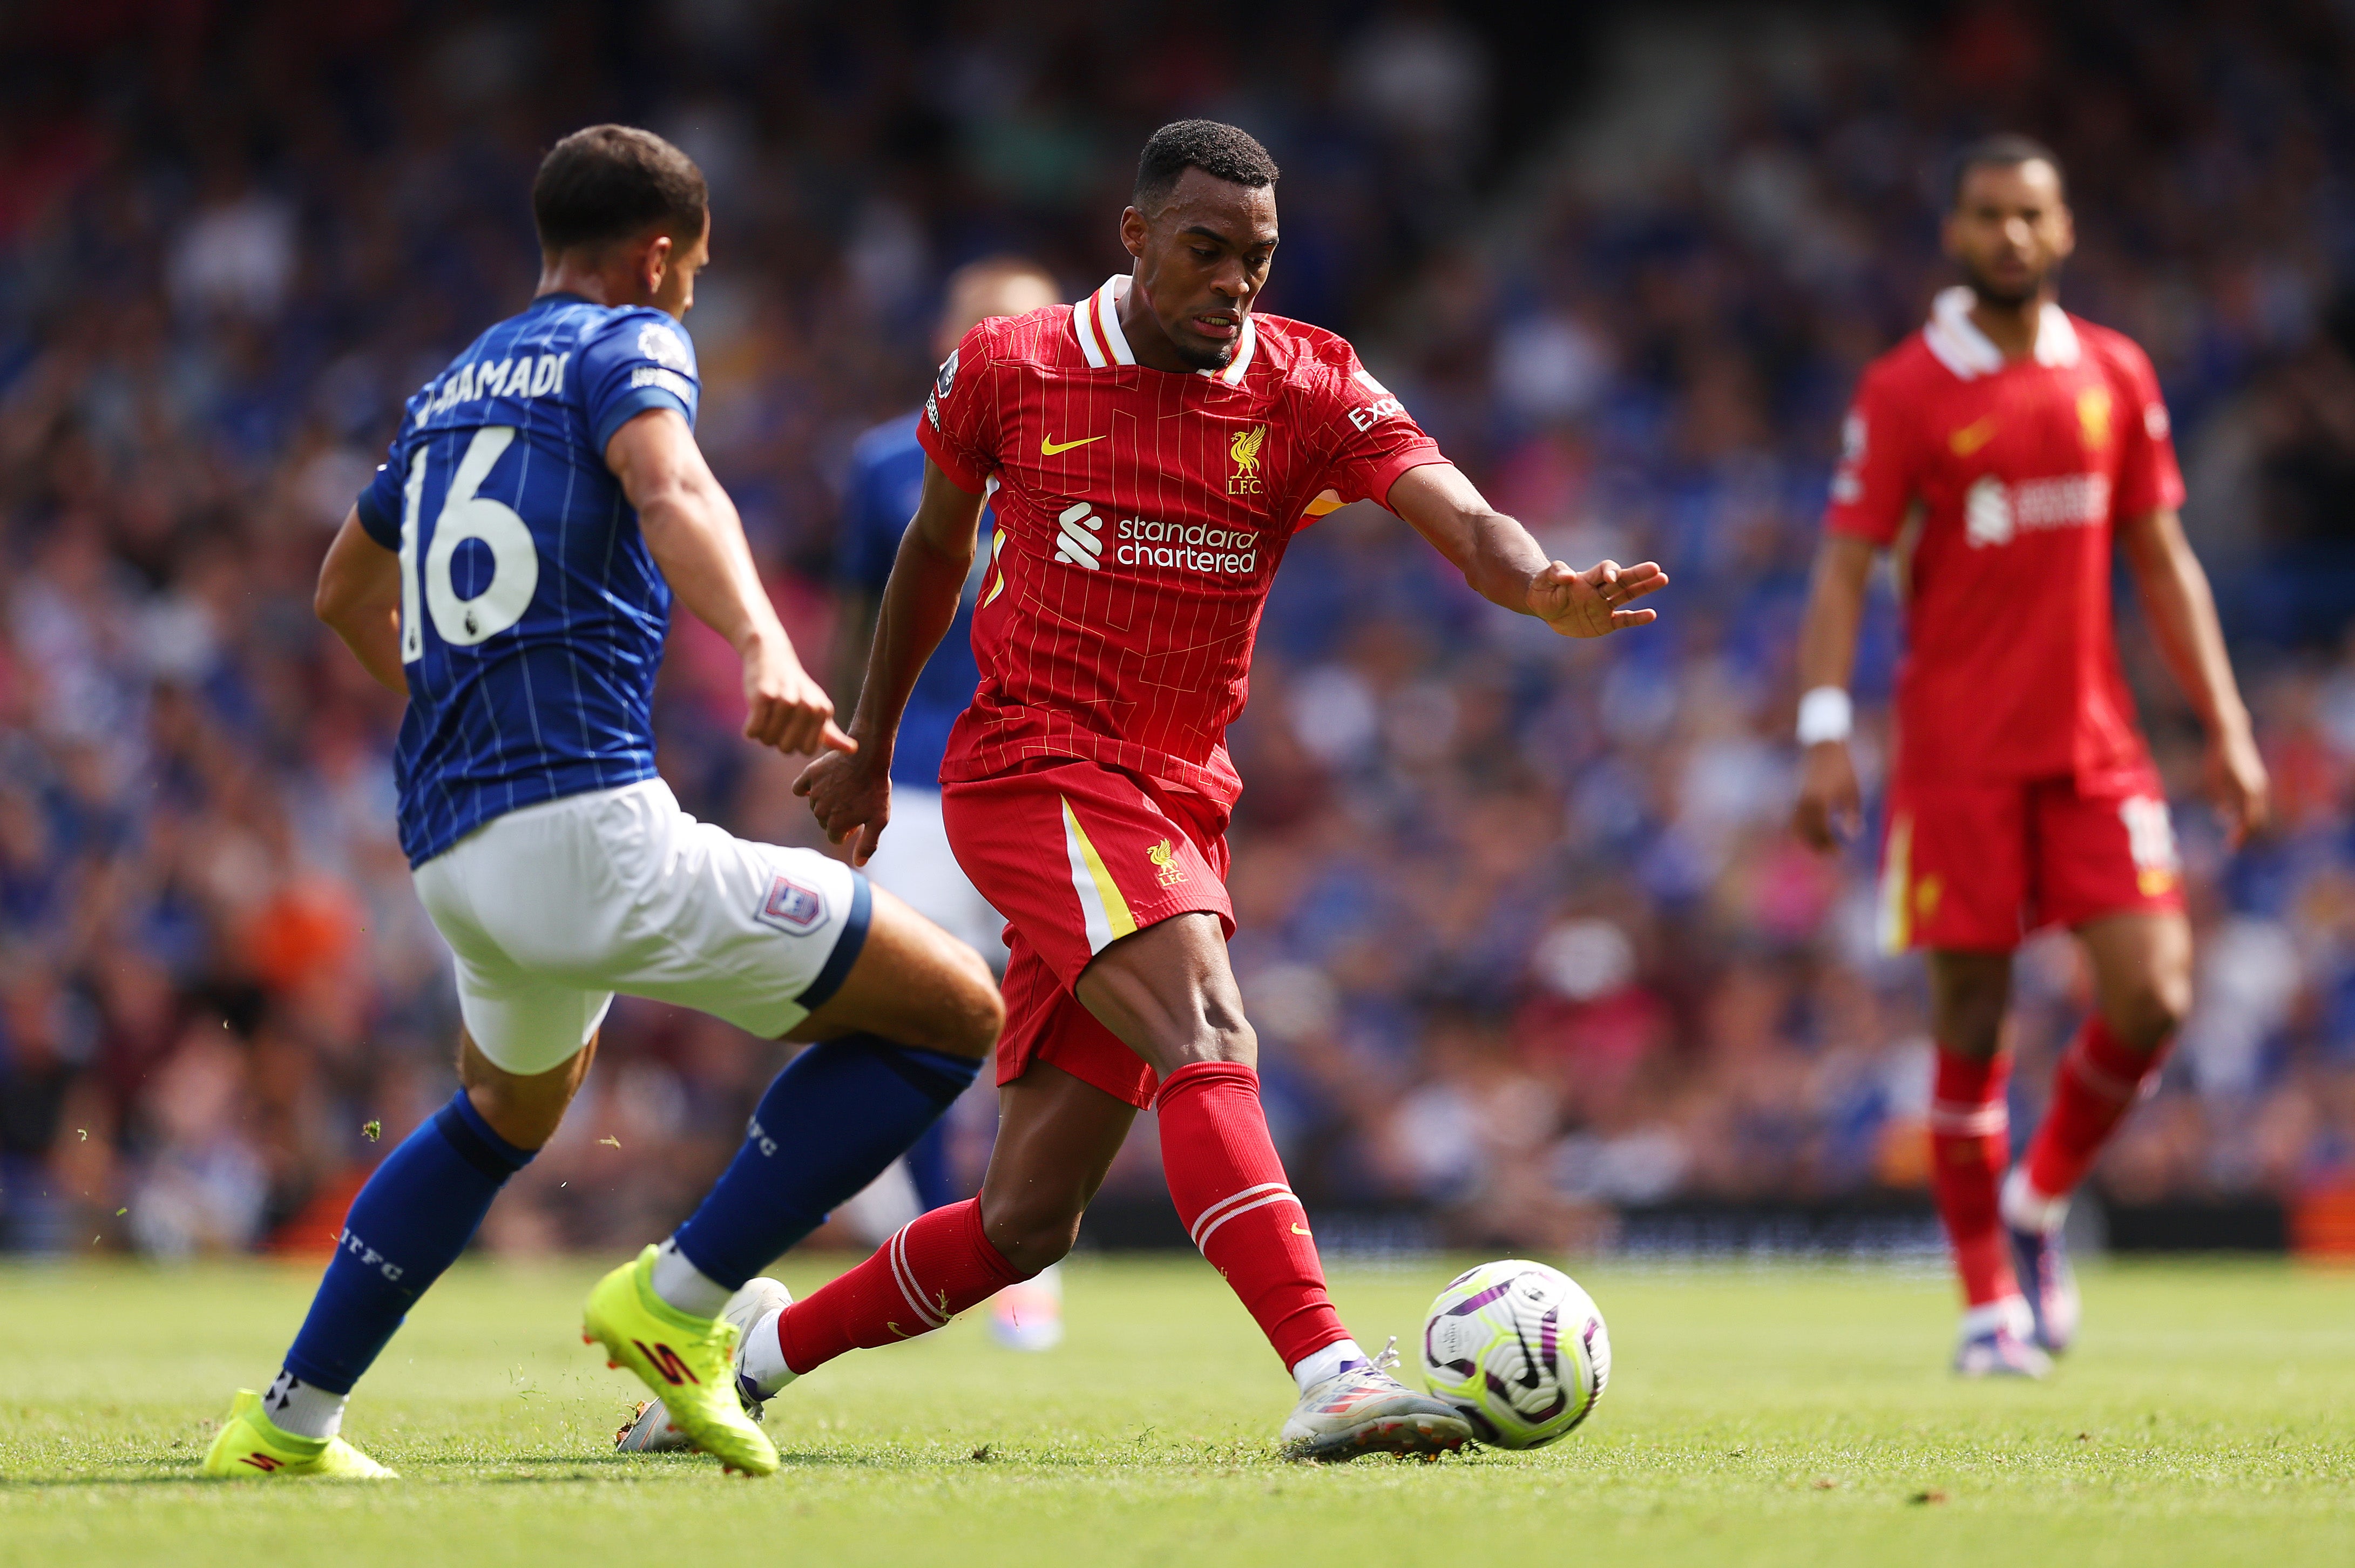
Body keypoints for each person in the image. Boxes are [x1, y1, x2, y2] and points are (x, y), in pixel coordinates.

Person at [782, 119, 1667, 1461]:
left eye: (1255, 258)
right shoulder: (1014, 367)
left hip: (1177, 799)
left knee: (1026, 1223)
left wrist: (1539, 583)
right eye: (1205, 251)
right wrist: (866, 745)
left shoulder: (1306, 383)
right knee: (1211, 1031)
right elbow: (929, 555)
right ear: (1135, 237)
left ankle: (747, 1355)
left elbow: (1458, 512)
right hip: (1034, 767)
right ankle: (1329, 1370)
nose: (1233, 284)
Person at [200, 125, 1004, 1481]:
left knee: (500, 1115)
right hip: (587, 836)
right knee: (953, 1015)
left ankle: (287, 1421)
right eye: (692, 269)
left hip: (457, 846)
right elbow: (670, 481)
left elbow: (344, 587)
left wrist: (458, 705)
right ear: (655, 254)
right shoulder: (625, 341)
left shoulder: (452, 383)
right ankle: (680, 1304)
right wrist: (762, 643)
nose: (691, 294)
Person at [1791, 135, 2269, 1377]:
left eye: (2032, 215)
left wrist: (2223, 722)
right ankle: (1987, 1303)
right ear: (1954, 232)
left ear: (2064, 232)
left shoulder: (2114, 372)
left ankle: (2037, 1203)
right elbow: (1845, 565)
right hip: (1958, 759)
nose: (2010, 235)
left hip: (2095, 748)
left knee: (2154, 994)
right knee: (1972, 1021)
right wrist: (1826, 727)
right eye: (1988, 215)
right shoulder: (1905, 390)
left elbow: (2163, 559)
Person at [615, 259, 1066, 1457]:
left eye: (1019, 320)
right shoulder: (887, 462)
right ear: (948, 336)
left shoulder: (1094, 445)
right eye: (980, 322)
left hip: (1050, 774)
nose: (998, 339)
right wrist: (850, 740)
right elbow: (873, 613)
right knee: (911, 1021)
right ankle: (927, 1228)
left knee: (1042, 1020)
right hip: (919, 779)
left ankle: (1014, 1249)